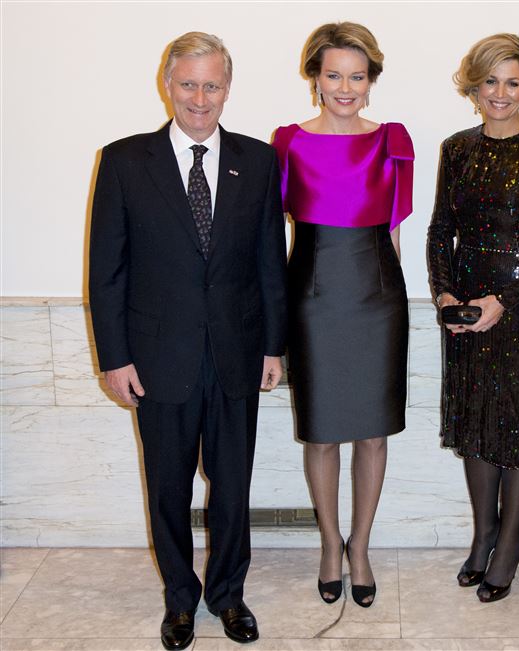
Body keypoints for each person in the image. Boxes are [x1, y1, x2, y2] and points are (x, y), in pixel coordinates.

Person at [89, 32, 287, 648]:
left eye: (212, 85)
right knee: (168, 488)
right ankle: (180, 598)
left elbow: (270, 263)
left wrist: (273, 346)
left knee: (232, 487)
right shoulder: (124, 161)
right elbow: (106, 271)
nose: (200, 98)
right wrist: (115, 357)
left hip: (236, 354)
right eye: (189, 84)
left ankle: (228, 594)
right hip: (156, 359)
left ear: (228, 88)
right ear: (167, 84)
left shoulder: (259, 161)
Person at [427, 33, 519, 603]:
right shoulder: (456, 149)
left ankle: (509, 541)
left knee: (517, 429)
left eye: (512, 82)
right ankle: (484, 533)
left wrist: (505, 301)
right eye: (490, 80)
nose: (500, 92)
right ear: (474, 86)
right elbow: (441, 230)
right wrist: (445, 296)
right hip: (466, 310)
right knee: (476, 428)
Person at [271, 21, 412, 608]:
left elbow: (395, 234)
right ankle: (331, 544)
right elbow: (278, 235)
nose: (345, 88)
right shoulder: (287, 143)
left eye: (357, 76)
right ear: (315, 77)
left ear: (371, 80)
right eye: (334, 75)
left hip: (377, 299)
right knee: (323, 432)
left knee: (373, 434)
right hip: (313, 300)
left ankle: (361, 547)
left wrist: (400, 301)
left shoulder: (393, 140)